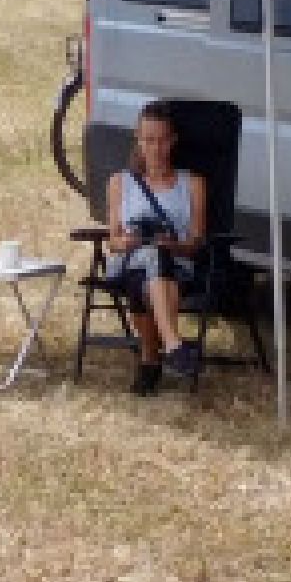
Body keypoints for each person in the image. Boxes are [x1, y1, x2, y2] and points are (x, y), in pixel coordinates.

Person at [104, 100, 207, 396]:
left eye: (162, 140)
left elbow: (196, 242)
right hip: (129, 261)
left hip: (175, 263)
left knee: (153, 265)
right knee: (149, 257)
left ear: (173, 140)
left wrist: (172, 244)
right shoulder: (120, 182)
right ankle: (173, 345)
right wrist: (127, 241)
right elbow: (113, 240)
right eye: (148, 140)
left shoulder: (193, 184)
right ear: (138, 140)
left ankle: (150, 360)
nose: (156, 148)